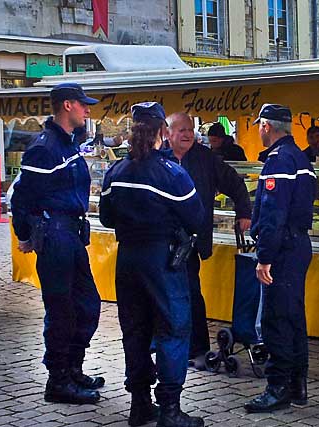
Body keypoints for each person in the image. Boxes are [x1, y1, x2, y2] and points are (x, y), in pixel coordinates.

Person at [100, 102, 205, 427]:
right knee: (173, 330)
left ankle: (140, 404)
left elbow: (106, 217)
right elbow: (196, 217)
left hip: (128, 259)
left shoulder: (116, 172)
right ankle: (170, 410)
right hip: (162, 261)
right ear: (162, 131)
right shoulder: (172, 174)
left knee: (135, 331)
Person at [10, 82, 103, 405]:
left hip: (71, 234)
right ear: (67, 106)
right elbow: (21, 198)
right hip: (55, 234)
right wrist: (25, 235)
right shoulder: (45, 147)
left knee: (88, 305)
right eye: (82, 104)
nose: (87, 109)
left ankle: (73, 367)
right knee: (62, 310)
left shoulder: (68, 143)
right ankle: (58, 380)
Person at [244, 104, 316, 413]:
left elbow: (273, 215)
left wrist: (265, 257)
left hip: (283, 249)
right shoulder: (300, 157)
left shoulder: (278, 161)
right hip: (298, 244)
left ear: (266, 127)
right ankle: (297, 385)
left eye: (259, 125)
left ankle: (278, 388)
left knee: (276, 321)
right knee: (294, 318)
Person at [165, 112, 252, 369]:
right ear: (167, 133)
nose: (187, 133)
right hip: (160, 241)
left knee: (191, 292)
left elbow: (234, 182)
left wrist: (244, 212)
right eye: (180, 129)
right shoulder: (158, 159)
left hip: (189, 241)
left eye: (189, 128)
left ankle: (197, 348)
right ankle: (161, 344)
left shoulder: (205, 158)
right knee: (162, 294)